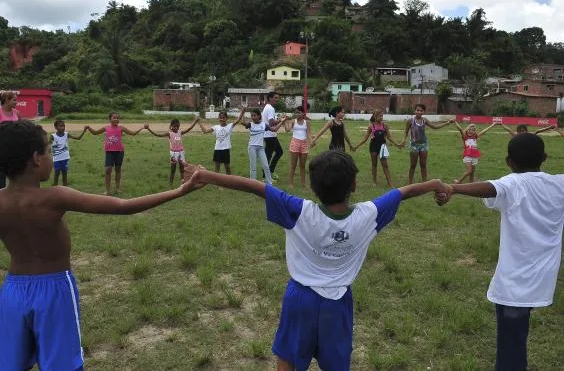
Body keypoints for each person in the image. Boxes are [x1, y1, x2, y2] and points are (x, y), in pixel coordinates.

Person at [182, 151, 447, 371]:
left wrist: (207, 175)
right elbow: (404, 192)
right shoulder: (369, 215)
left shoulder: (299, 211)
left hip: (300, 299)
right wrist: (435, 183)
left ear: (312, 185)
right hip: (338, 303)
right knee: (336, 362)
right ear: (353, 184)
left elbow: (255, 187)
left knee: (288, 357)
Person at [0, 120, 199, 371]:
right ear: (35, 159)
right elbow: (123, 206)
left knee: (11, 366)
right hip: (54, 291)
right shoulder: (55, 197)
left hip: (12, 292)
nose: (52, 158)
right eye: (48, 151)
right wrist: (180, 191)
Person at [436, 133, 564, 371]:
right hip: (543, 279)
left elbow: (489, 188)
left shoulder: (512, 184)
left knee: (510, 347)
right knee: (516, 340)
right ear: (545, 157)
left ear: (509, 162)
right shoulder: (559, 183)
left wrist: (453, 187)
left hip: (514, 284)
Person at [85, 112, 145, 195]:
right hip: (109, 152)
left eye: (117, 118)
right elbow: (95, 133)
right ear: (110, 119)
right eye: (114, 117)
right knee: (108, 170)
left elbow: (133, 133)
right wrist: (88, 128)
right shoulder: (106, 128)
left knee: (118, 169)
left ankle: (117, 188)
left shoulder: (121, 128)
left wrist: (142, 128)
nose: (116, 119)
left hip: (119, 152)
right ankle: (107, 190)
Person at [398, 104, 453, 184]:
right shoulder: (410, 121)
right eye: (417, 110)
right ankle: (410, 183)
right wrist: (403, 141)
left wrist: (447, 123)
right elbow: (406, 132)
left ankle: (425, 183)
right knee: (413, 165)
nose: (419, 112)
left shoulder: (425, 120)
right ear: (414, 111)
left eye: (421, 110)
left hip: (423, 145)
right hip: (414, 145)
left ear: (423, 111)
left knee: (423, 165)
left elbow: (435, 127)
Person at [145, 117, 199, 185]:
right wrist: (149, 129)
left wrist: (195, 121)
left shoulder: (180, 132)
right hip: (173, 154)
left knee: (182, 169)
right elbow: (158, 135)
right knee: (173, 170)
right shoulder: (169, 134)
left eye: (178, 126)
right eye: (175, 126)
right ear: (171, 126)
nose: (176, 128)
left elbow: (189, 129)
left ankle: (183, 183)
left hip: (181, 153)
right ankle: (171, 185)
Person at [354, 110, 399, 187]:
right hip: (373, 147)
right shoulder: (371, 126)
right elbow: (365, 139)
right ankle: (374, 181)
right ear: (375, 117)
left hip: (382, 147)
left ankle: (390, 182)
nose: (381, 117)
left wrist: (397, 144)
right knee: (374, 164)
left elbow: (389, 137)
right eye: (379, 116)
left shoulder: (385, 125)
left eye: (382, 116)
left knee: (385, 165)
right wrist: (356, 146)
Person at [242, 108, 287, 185]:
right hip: (252, 147)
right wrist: (242, 112)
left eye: (254, 115)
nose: (253, 117)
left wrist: (282, 121)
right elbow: (243, 122)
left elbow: (274, 129)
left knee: (266, 166)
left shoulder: (263, 125)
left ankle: (269, 183)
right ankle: (252, 183)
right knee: (253, 167)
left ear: (259, 116)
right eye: (252, 115)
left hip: (260, 148)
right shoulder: (250, 124)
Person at [0, 91, 21, 189]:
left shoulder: (17, 113)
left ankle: (15, 190)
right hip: (2, 147)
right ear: (7, 100)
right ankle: (1, 192)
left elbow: (21, 128)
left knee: (16, 170)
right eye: (14, 100)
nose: (16, 103)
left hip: (16, 146)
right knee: (2, 171)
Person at [198, 109, 245, 174]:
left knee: (227, 167)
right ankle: (217, 181)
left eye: (223, 118)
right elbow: (205, 131)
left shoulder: (229, 126)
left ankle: (229, 181)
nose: (222, 119)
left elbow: (238, 120)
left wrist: (242, 111)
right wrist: (199, 122)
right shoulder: (216, 127)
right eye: (220, 118)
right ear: (218, 118)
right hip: (217, 149)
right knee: (217, 167)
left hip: (226, 150)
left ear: (226, 118)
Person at [50, 119, 87, 186]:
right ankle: (55, 188)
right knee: (57, 173)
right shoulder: (53, 136)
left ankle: (65, 187)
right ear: (55, 127)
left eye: (64, 126)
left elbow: (78, 138)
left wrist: (84, 131)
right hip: (57, 159)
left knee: (64, 173)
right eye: (60, 126)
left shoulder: (66, 134)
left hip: (65, 158)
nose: (63, 127)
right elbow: (47, 145)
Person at [284, 106, 312, 188]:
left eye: (299, 112)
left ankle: (303, 183)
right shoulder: (293, 121)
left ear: (303, 113)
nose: (297, 114)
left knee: (302, 165)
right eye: (296, 112)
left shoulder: (307, 122)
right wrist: (285, 122)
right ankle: (290, 183)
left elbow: (309, 133)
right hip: (295, 143)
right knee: (293, 165)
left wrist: (312, 141)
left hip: (304, 144)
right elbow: (287, 130)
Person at [263, 92, 284, 180]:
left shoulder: (267, 107)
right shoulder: (270, 108)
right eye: (275, 98)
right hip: (270, 135)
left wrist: (278, 119)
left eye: (278, 98)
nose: (277, 100)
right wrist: (281, 120)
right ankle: (266, 175)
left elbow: (270, 121)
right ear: (270, 98)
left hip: (269, 135)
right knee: (270, 154)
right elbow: (271, 123)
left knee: (277, 152)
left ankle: (269, 171)